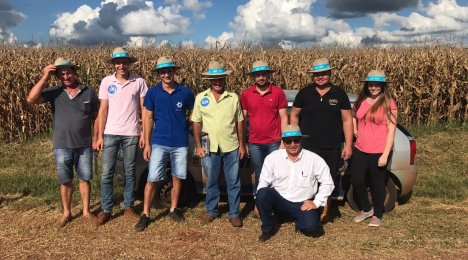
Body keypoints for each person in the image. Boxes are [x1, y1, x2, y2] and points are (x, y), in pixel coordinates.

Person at [26, 58, 99, 227]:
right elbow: (31, 99)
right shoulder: (54, 92)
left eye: (69, 73)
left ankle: (87, 211)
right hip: (62, 144)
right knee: (65, 180)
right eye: (62, 74)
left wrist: (96, 138)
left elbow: (96, 117)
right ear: (58, 76)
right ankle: (67, 213)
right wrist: (45, 76)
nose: (66, 76)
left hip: (84, 144)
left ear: (75, 73)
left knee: (85, 178)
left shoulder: (88, 91)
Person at [135, 57, 195, 231]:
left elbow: (194, 113)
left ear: (173, 72)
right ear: (159, 74)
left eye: (169, 71)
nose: (167, 74)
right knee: (152, 178)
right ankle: (145, 214)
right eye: (163, 72)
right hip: (159, 142)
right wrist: (147, 143)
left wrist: (186, 124)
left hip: (180, 144)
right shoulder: (153, 93)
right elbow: (147, 118)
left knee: (178, 177)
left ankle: (173, 209)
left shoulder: (185, 92)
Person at [289, 57, 353, 222]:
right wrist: (293, 138)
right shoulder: (304, 93)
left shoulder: (339, 94)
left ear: (330, 73)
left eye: (324, 73)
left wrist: (348, 144)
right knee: (307, 179)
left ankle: (325, 210)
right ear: (312, 76)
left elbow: (347, 120)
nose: (320, 76)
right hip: (308, 147)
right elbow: (294, 115)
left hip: (331, 147)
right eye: (317, 74)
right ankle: (307, 210)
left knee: (328, 179)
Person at [95, 47, 148, 225]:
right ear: (114, 64)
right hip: (110, 133)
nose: (121, 65)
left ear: (128, 63)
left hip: (131, 133)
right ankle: (106, 209)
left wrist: (143, 134)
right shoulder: (106, 82)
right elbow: (103, 110)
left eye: (124, 62)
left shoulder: (139, 81)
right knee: (106, 173)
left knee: (130, 172)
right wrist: (100, 136)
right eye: (118, 62)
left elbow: (144, 109)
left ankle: (128, 207)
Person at [256, 125, 334, 242]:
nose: (292, 144)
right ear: (283, 142)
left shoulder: (314, 159)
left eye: (296, 140)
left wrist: (316, 202)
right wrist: (259, 202)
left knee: (313, 229)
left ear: (301, 140)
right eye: (288, 141)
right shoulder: (272, 158)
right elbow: (263, 181)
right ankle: (268, 228)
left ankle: (298, 220)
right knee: (262, 193)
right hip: (279, 200)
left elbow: (328, 183)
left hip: (302, 203)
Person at [191, 61, 246, 227]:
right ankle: (211, 210)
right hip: (209, 147)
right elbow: (196, 123)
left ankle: (234, 213)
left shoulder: (233, 97)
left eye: (220, 78)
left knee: (233, 181)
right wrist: (198, 146)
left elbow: (239, 122)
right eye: (214, 79)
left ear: (225, 79)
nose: (217, 82)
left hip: (231, 145)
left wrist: (242, 145)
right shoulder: (201, 98)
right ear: (209, 80)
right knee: (212, 181)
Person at [350, 70, 398, 227]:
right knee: (357, 180)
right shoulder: (362, 100)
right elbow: (353, 114)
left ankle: (377, 214)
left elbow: (391, 130)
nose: (373, 87)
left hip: (378, 150)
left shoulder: (388, 103)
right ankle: (366, 209)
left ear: (383, 86)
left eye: (377, 84)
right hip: (360, 148)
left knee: (377, 184)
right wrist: (355, 129)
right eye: (371, 84)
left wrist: (385, 155)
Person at [240, 60, 288, 198]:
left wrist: (283, 141)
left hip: (274, 142)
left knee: (275, 173)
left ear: (268, 75)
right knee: (260, 173)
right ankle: (260, 201)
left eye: (264, 74)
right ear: (253, 77)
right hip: (254, 143)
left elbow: (284, 117)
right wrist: (243, 142)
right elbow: (242, 120)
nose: (261, 77)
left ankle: (275, 201)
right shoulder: (246, 94)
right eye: (258, 75)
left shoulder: (278, 93)